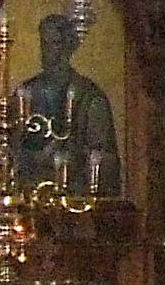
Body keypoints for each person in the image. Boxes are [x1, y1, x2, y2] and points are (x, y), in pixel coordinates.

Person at [10, 13, 118, 196]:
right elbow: (11, 147)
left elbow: (104, 156)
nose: (50, 52)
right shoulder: (26, 92)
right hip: (31, 193)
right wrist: (34, 158)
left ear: (68, 47)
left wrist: (70, 156)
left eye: (56, 43)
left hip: (76, 194)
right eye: (45, 44)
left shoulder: (89, 96)